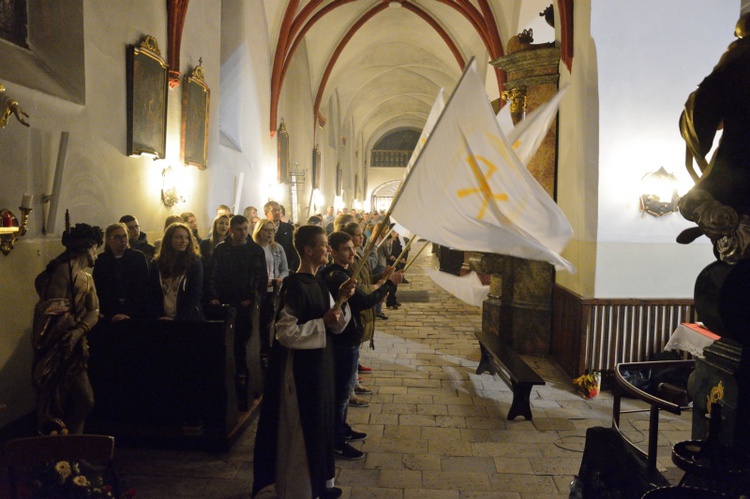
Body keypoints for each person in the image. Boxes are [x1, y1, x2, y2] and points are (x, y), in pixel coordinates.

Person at [252, 225, 355, 499]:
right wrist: (322, 323)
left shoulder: (319, 281)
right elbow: (285, 332)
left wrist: (343, 299)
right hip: (298, 373)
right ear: (308, 250)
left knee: (319, 424)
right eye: (323, 245)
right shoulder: (295, 285)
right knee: (299, 430)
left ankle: (321, 485)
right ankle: (299, 490)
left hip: (320, 367)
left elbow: (336, 323)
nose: (328, 250)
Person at [322, 231, 401, 461]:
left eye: (352, 247)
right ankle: (336, 441)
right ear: (333, 251)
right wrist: (388, 285)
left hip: (349, 338)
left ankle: (342, 429)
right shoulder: (337, 276)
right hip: (343, 341)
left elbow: (364, 292)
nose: (352, 251)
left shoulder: (345, 272)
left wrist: (382, 280)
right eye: (345, 248)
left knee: (344, 392)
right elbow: (365, 302)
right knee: (342, 394)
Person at [32, 223, 103, 434]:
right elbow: (52, 310)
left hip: (75, 345)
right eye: (96, 248)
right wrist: (69, 329)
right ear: (88, 247)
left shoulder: (87, 278)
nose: (97, 254)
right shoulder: (64, 272)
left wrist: (78, 331)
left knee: (84, 401)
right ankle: (56, 455)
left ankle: (74, 450)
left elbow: (95, 311)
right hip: (58, 346)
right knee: (59, 401)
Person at [207, 215, 267, 409]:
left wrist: (251, 297)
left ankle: (245, 383)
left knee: (243, 342)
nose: (243, 233)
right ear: (231, 230)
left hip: (246, 304)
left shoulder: (255, 250)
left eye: (245, 229)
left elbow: (259, 277)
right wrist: (214, 296)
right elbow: (213, 274)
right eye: (239, 229)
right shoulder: (221, 250)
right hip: (224, 302)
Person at [146, 222, 204, 321]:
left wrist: (179, 319)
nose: (184, 241)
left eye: (187, 238)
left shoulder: (194, 263)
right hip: (162, 316)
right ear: (169, 239)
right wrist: (159, 315)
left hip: (187, 319)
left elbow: (194, 295)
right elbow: (152, 293)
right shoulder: (157, 263)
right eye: (179, 237)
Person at [92, 223, 149, 322]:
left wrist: (128, 311)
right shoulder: (101, 260)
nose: (122, 240)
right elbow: (99, 288)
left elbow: (142, 286)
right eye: (117, 237)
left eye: (124, 236)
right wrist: (112, 313)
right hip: (109, 313)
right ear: (109, 241)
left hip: (135, 312)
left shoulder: (138, 257)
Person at [252, 219, 289, 361]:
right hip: (259, 289)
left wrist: (279, 279)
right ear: (259, 231)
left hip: (274, 288)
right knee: (260, 322)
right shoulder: (254, 249)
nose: (269, 233)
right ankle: (263, 350)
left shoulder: (277, 248)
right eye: (266, 230)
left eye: (272, 230)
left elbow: (284, 269)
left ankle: (270, 350)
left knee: (271, 320)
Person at [264, 200, 299, 272]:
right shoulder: (262, 229)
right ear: (266, 214)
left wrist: (292, 268)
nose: (277, 212)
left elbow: (293, 249)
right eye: (273, 210)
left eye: (278, 210)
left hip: (286, 268)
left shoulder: (288, 228)